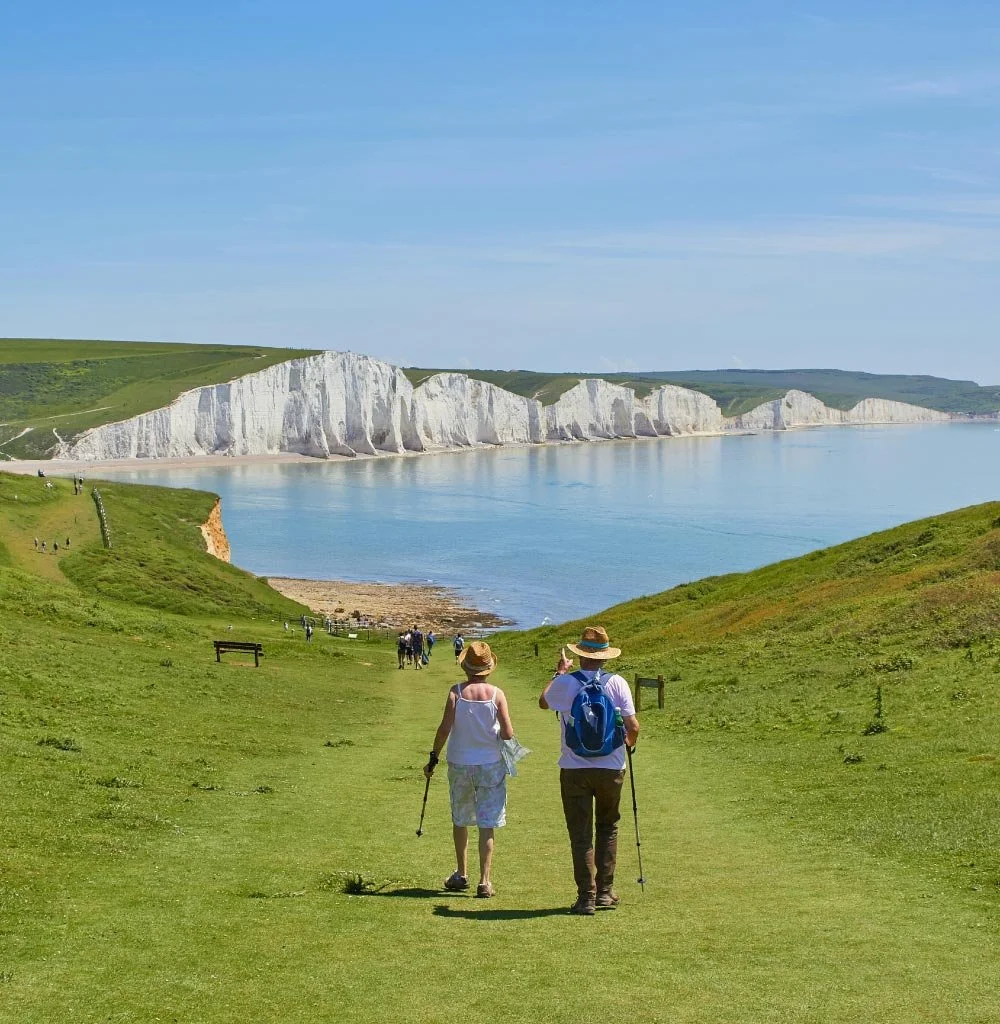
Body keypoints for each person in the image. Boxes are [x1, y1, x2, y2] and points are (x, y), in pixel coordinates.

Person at [538, 625, 639, 916]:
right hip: (611, 767)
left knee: (580, 834)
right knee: (608, 828)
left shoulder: (567, 683)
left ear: (579, 655)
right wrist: (626, 747)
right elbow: (633, 728)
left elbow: (543, 702)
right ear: (605, 657)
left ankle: (586, 898)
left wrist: (559, 672)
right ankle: (605, 892)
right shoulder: (617, 683)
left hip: (574, 768)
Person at [424, 640, 514, 898]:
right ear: (488, 669)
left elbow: (444, 729)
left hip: (460, 762)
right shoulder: (497, 694)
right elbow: (508, 733)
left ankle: (462, 873)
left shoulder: (456, 692)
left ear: (466, 668)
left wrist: (433, 757)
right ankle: (485, 881)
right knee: (487, 822)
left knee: (460, 818)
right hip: (490, 763)